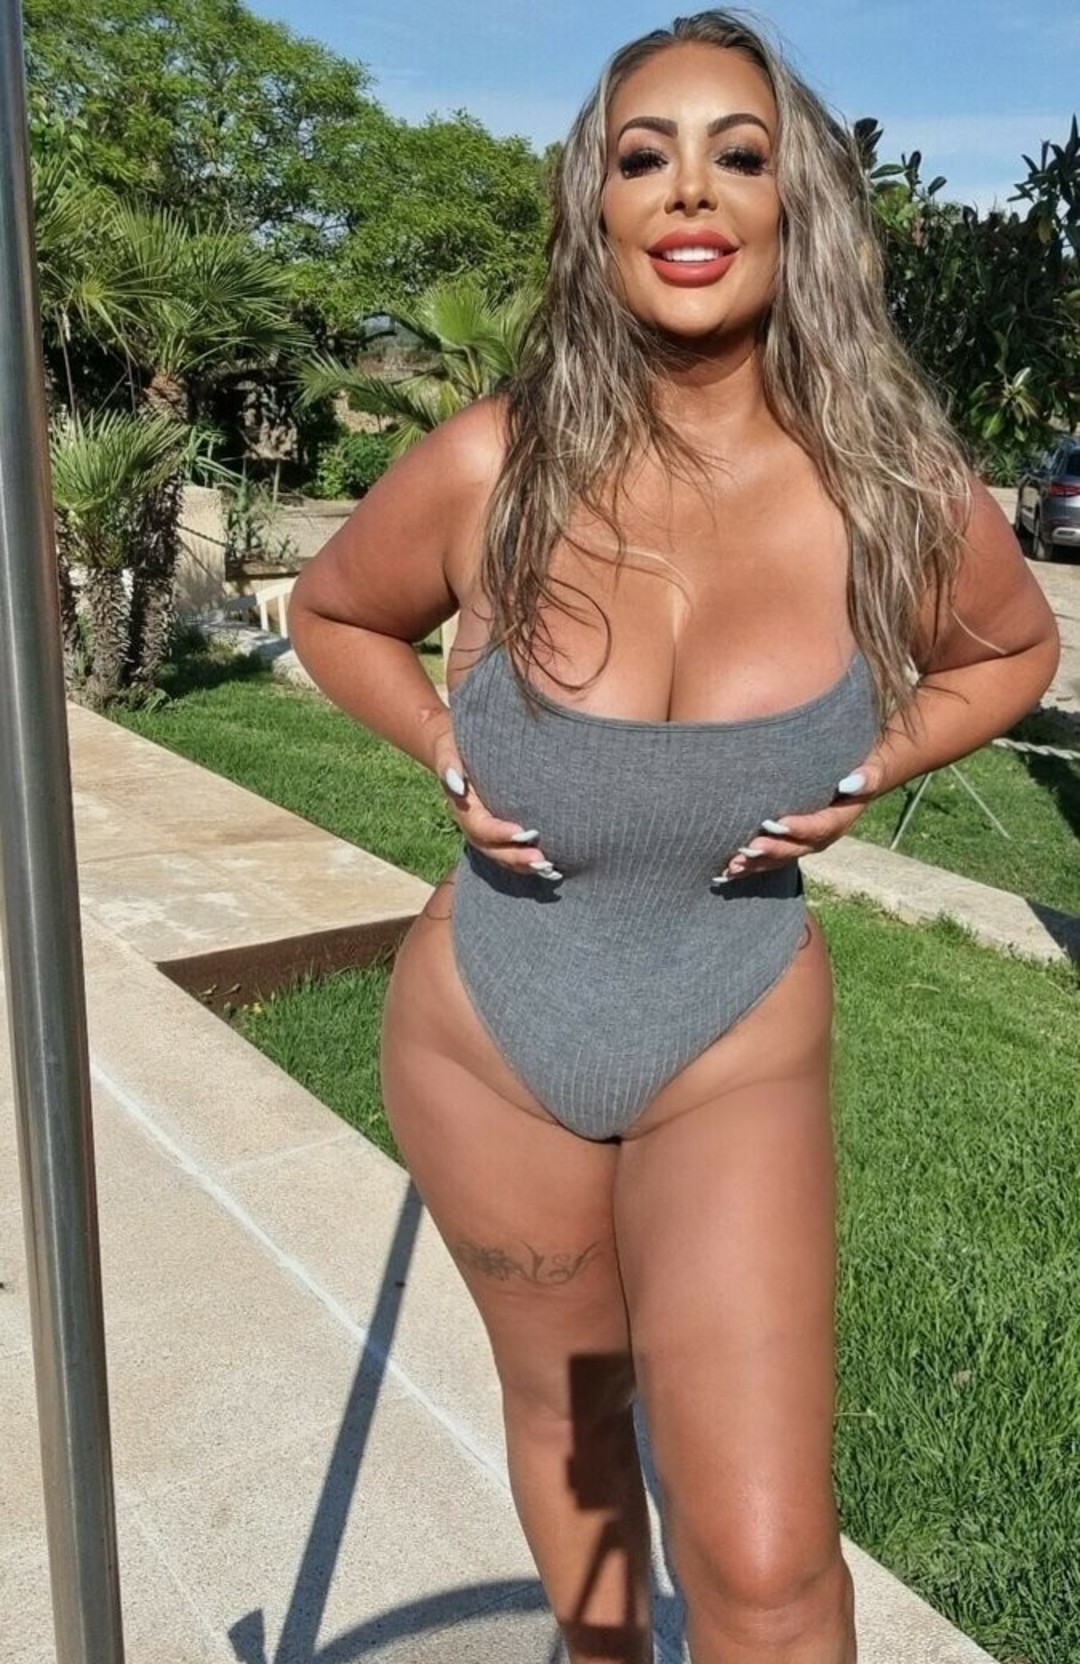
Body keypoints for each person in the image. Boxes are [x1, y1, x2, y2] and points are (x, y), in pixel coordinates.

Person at [288, 11, 1059, 1662]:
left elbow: (1011, 650)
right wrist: (438, 737)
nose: (690, 190)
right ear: (600, 208)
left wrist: (883, 759)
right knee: (578, 1468)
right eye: (645, 156)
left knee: (769, 1568)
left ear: (797, 206)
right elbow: (334, 612)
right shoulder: (493, 466)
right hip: (490, 1033)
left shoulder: (891, 485)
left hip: (732, 1029)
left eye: (739, 154)